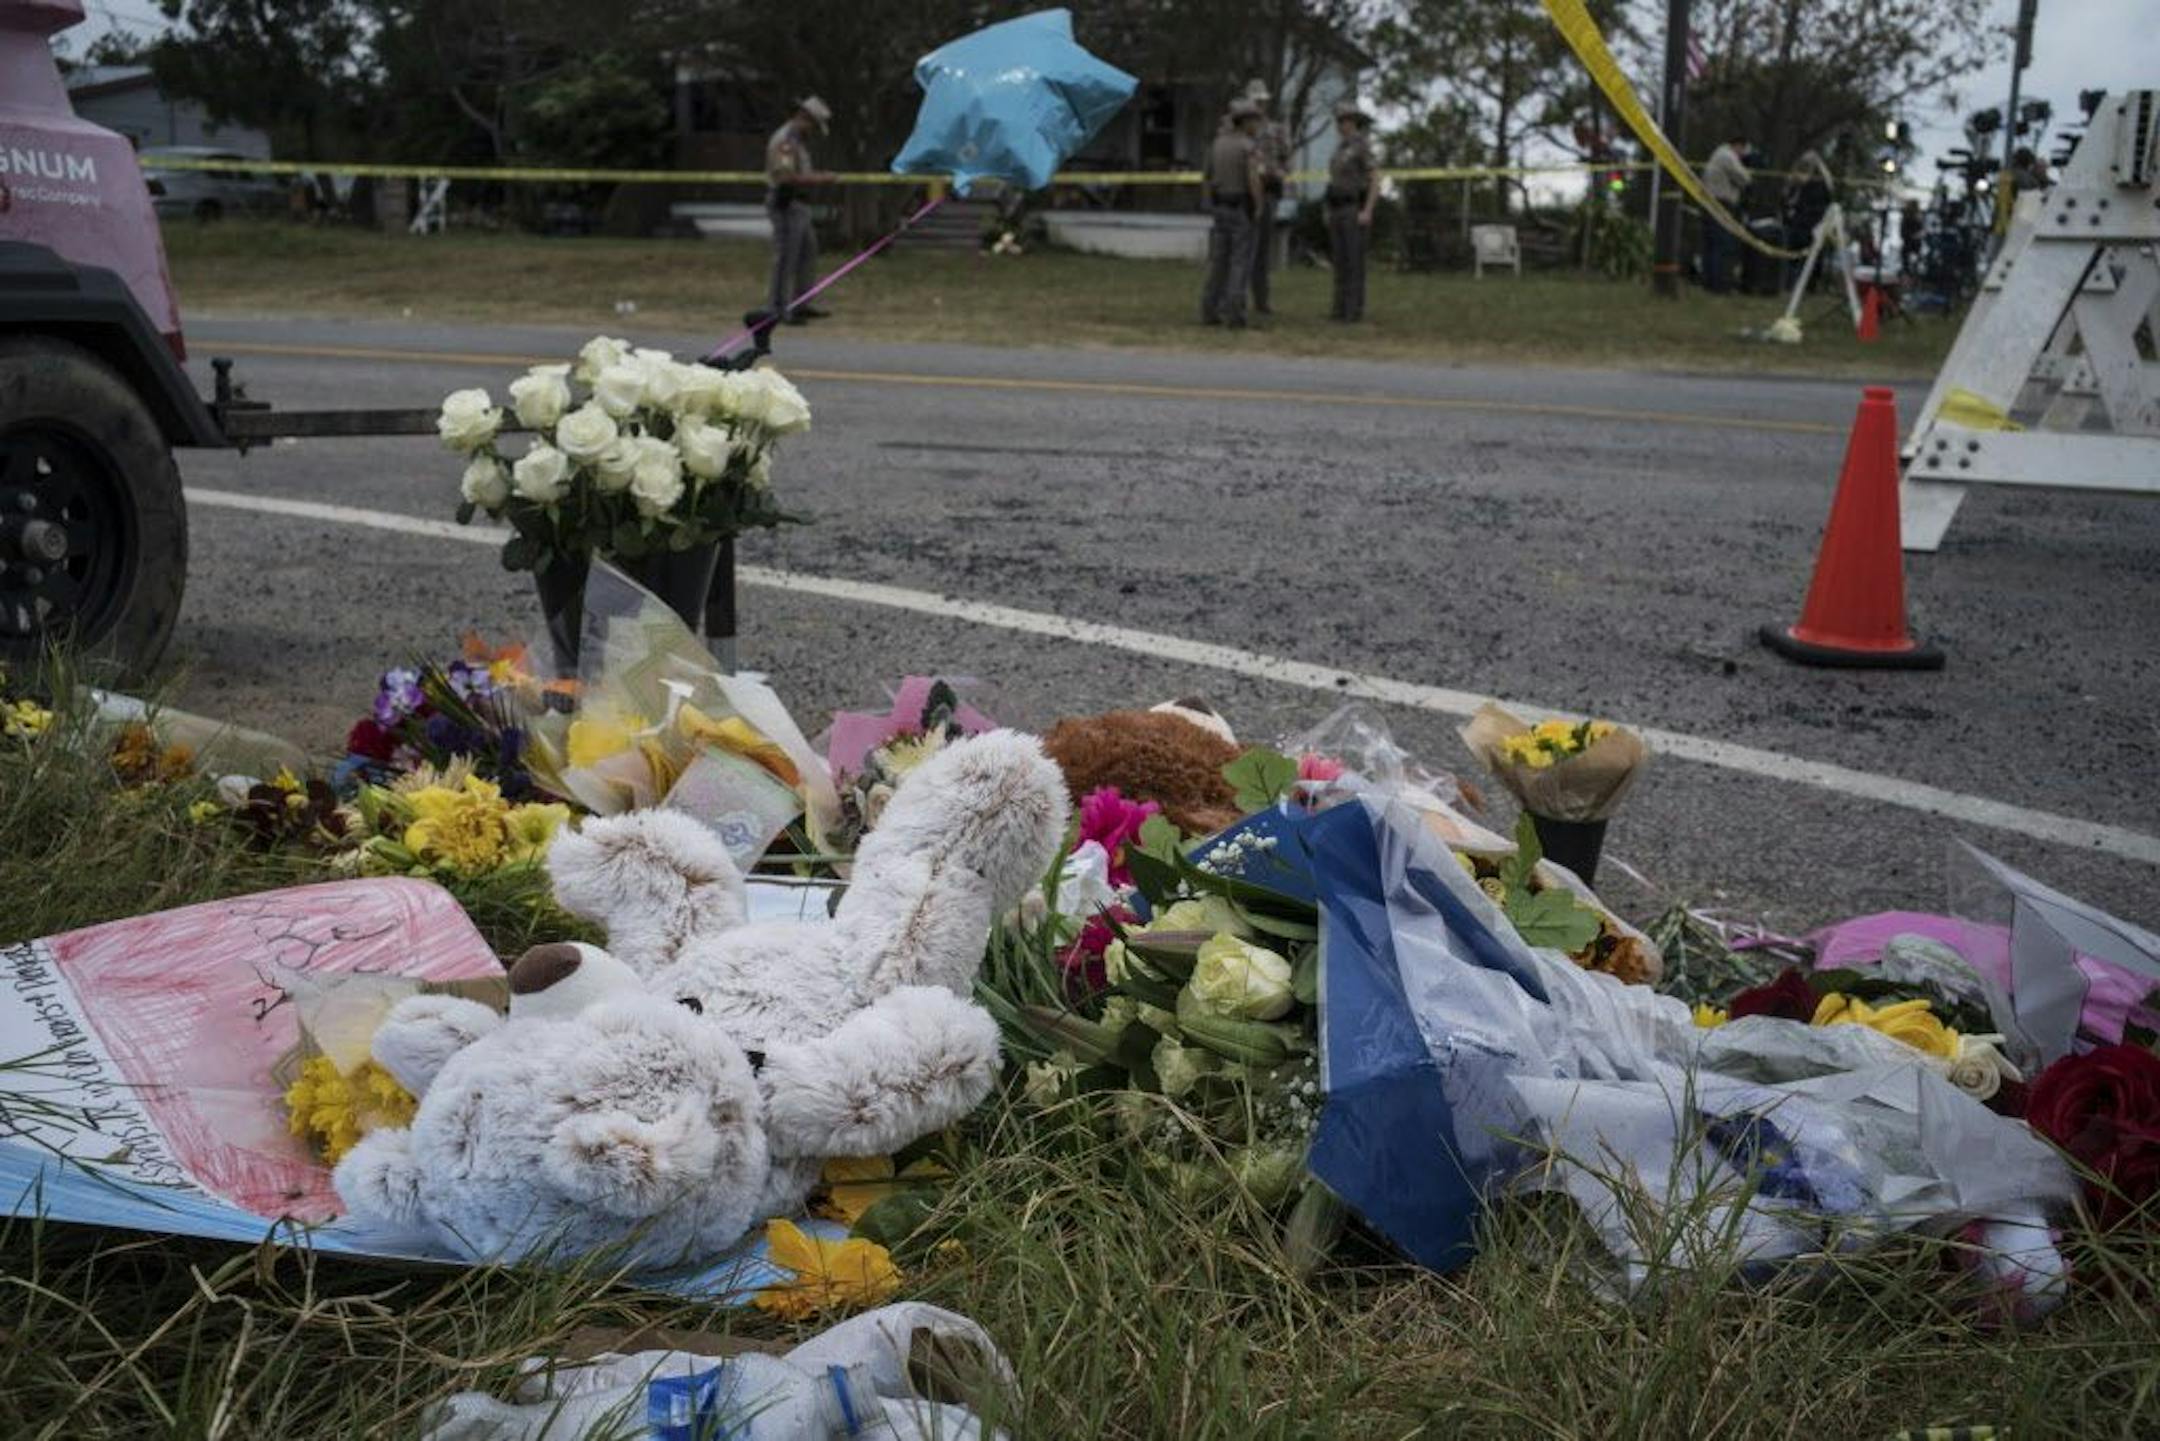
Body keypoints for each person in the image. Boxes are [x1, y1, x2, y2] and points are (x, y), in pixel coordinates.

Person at [1200, 98, 1266, 329]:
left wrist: (1209, 203)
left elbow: (1206, 177)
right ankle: (1235, 314)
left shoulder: (1217, 144)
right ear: (1245, 122)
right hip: (1240, 207)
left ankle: (1209, 309)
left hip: (1220, 207)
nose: (1257, 125)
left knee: (1218, 261)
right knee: (1240, 262)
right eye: (1254, 120)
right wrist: (1258, 205)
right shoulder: (1247, 147)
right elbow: (1253, 179)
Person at [766, 96, 833, 325]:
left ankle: (801, 303)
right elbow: (786, 177)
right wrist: (820, 179)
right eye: (813, 126)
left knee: (808, 253)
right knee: (786, 258)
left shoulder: (797, 141)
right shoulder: (785, 141)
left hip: (801, 205)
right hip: (787, 203)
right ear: (804, 118)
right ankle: (778, 309)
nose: (812, 132)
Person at [1325, 100, 1378, 323]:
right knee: (1340, 261)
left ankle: (1353, 310)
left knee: (1354, 261)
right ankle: (1339, 308)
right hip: (1336, 207)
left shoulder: (1361, 146)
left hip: (1353, 207)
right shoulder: (1339, 148)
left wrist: (1367, 210)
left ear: (1353, 122)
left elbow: (1375, 179)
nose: (1340, 124)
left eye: (1344, 120)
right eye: (1339, 120)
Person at [1242, 79, 1291, 317]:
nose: (1259, 106)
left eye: (1262, 102)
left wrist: (1278, 172)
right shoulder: (1236, 130)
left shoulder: (1276, 130)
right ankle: (1237, 297)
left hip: (1268, 192)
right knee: (1242, 249)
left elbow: (1286, 161)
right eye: (1255, 101)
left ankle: (1261, 300)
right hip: (1242, 194)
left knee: (1262, 251)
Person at [1701, 132, 1751, 294]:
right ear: (1738, 146)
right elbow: (1744, 178)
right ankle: (1720, 285)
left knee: (1711, 244)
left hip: (1710, 202)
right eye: (1743, 151)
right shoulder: (1728, 156)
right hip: (1721, 203)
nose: (1743, 155)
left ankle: (1709, 282)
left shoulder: (1717, 154)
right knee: (1723, 243)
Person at [1779, 151, 1832, 291]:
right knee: (1792, 256)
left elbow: (1818, 206)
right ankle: (1790, 284)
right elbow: (1786, 198)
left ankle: (1808, 286)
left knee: (1810, 258)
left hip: (1810, 224)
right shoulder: (1794, 182)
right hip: (1794, 223)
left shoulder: (1819, 184)